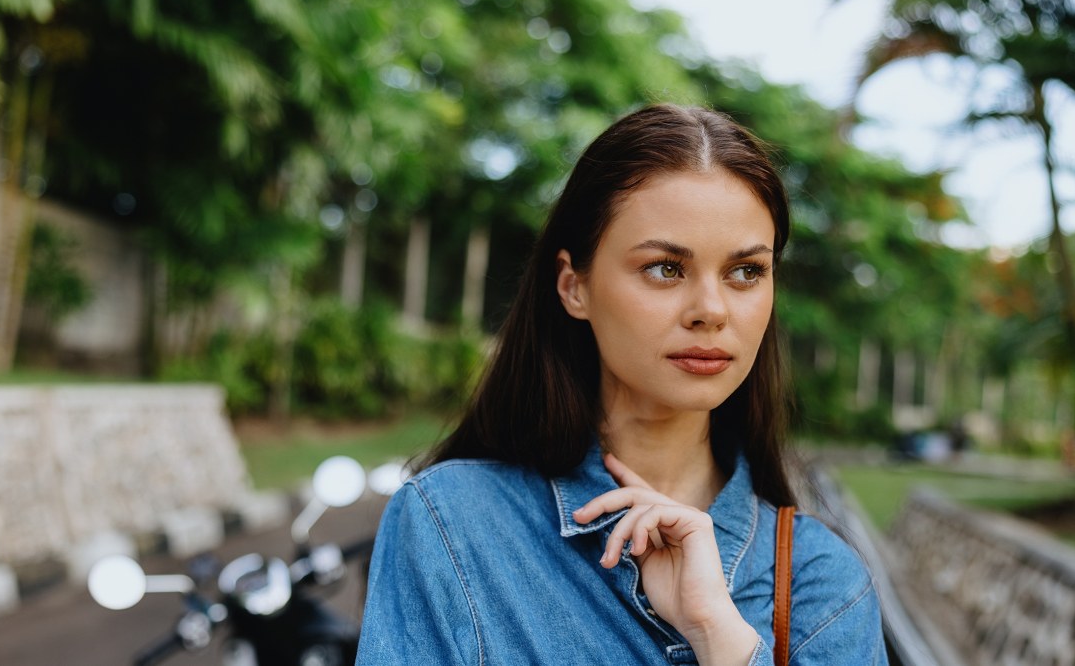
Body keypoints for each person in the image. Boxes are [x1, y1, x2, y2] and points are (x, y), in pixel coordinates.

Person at [356, 104, 888, 665]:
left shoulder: (823, 587)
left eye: (745, 272)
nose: (711, 310)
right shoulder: (452, 524)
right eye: (665, 268)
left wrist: (719, 637)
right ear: (573, 286)